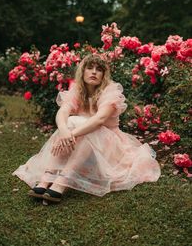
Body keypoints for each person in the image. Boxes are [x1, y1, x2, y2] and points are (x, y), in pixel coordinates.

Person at [12, 54, 161, 204]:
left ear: (104, 75)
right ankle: (47, 177)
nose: (94, 72)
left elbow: (99, 120)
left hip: (108, 148)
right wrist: (64, 131)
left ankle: (62, 182)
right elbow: (62, 112)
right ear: (82, 72)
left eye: (99, 69)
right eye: (89, 68)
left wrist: (69, 134)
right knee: (69, 121)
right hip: (83, 146)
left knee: (90, 127)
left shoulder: (110, 92)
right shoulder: (77, 90)